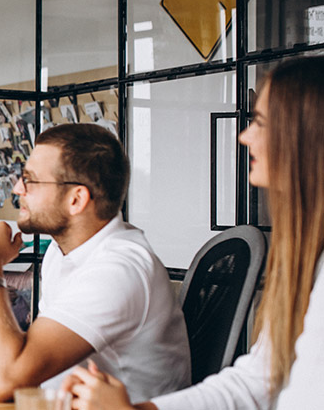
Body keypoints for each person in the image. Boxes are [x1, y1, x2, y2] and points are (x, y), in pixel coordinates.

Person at [63, 56, 324, 410]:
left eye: (260, 122)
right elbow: (252, 384)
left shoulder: (121, 262)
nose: (244, 136)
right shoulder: (308, 257)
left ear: (308, 135)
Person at [0, 123, 191, 402]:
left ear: (76, 199)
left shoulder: (117, 270)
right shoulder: (63, 252)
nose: (18, 189)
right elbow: (26, 353)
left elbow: (4, 380)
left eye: (30, 180)